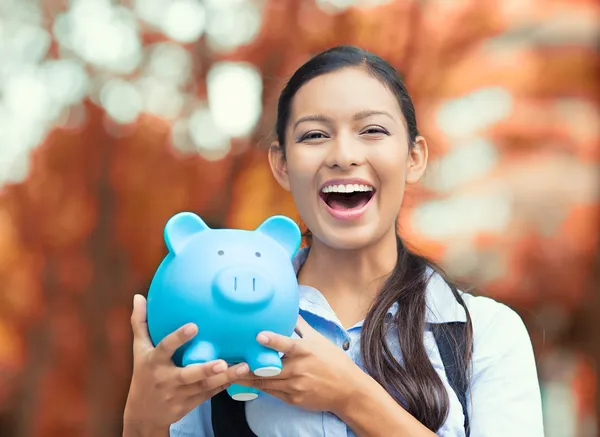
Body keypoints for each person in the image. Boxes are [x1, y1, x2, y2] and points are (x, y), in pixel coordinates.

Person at [122, 45, 545, 437]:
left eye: (373, 130)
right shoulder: (209, 318)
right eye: (314, 135)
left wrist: (351, 396)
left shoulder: (485, 334)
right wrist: (141, 422)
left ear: (414, 158)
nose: (344, 154)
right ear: (282, 165)